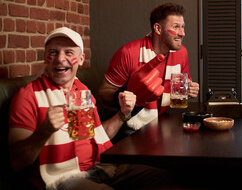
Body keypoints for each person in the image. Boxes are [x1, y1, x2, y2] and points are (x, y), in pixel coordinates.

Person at [8, 27, 169, 189]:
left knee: (165, 179)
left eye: (69, 53)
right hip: (63, 178)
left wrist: (123, 114)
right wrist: (45, 130)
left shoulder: (81, 90)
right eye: (53, 52)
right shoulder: (28, 96)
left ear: (80, 59)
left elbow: (98, 135)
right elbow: (17, 162)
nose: (60, 59)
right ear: (45, 58)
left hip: (101, 168)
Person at [98, 2, 199, 130]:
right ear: (158, 29)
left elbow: (179, 90)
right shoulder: (128, 53)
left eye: (183, 27)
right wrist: (128, 96)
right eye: (176, 27)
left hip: (162, 119)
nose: (182, 33)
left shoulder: (182, 52)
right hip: (129, 123)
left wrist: (188, 90)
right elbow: (103, 93)